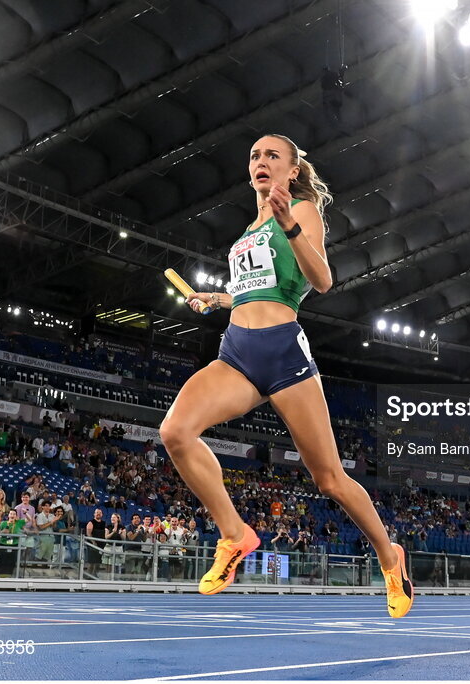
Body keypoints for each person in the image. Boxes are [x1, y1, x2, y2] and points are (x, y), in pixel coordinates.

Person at [159, 134, 413, 617]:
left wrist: (290, 224)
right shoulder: (243, 233)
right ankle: (235, 534)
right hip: (235, 353)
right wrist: (218, 299)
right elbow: (257, 291)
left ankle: (388, 554)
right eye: (254, 155)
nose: (261, 161)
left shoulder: (301, 211)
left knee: (330, 479)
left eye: (272, 155)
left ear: (292, 170)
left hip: (282, 353)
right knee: (175, 431)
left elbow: (320, 280)